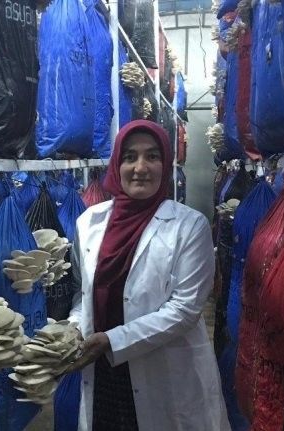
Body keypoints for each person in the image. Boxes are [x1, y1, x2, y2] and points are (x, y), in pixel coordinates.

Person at [67, 120, 230, 430]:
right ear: (117, 165)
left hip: (164, 376)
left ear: (165, 165)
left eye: (152, 156)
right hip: (103, 373)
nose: (140, 168)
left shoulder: (190, 226)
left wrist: (112, 340)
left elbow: (184, 310)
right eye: (130, 157)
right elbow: (82, 292)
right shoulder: (89, 222)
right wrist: (74, 328)